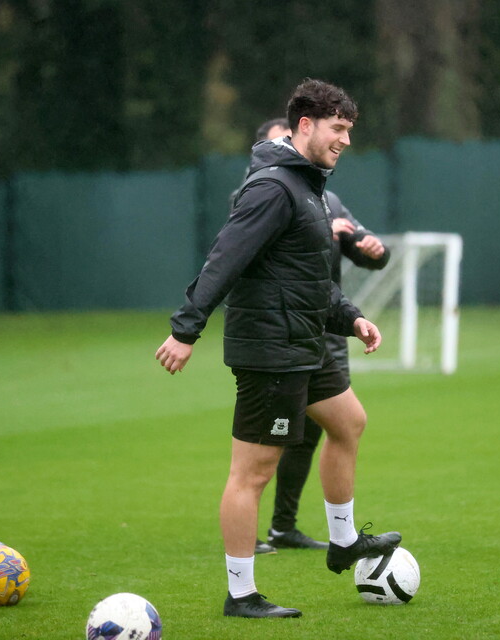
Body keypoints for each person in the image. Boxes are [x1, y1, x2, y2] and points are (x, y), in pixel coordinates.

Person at [155, 79, 401, 619]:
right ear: (305, 126)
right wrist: (185, 330)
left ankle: (343, 542)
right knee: (253, 472)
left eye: (349, 130)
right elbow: (225, 261)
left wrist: (351, 317)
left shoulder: (309, 186)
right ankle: (241, 594)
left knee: (348, 422)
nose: (346, 140)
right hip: (271, 350)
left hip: (305, 341)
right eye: (339, 129)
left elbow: (307, 278)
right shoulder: (272, 188)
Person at [252, 118, 392, 554]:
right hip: (282, 334)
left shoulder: (327, 197)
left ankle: (288, 528)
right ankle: (250, 541)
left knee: (326, 430)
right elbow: (245, 259)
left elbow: (363, 243)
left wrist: (374, 248)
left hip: (328, 330)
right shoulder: (261, 196)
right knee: (266, 445)